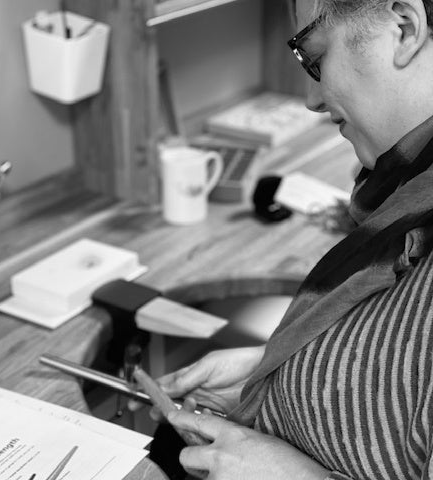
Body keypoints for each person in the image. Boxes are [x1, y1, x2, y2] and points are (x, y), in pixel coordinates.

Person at [146, 0, 433, 478]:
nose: (312, 99)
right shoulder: (406, 198)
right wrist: (283, 368)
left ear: (403, 28)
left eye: (315, 58)